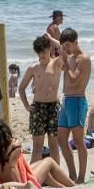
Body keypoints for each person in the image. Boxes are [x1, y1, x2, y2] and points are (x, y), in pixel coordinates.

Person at [0, 119, 75, 188]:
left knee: (42, 168)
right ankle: (71, 185)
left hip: (2, 182)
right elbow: (13, 167)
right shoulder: (13, 147)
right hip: (22, 182)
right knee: (49, 161)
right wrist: (22, 187)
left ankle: (60, 186)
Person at [18, 35, 63, 163]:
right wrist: (27, 106)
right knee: (37, 146)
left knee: (54, 145)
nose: (42, 55)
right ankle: (34, 175)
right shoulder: (33, 68)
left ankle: (56, 172)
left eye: (44, 51)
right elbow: (21, 88)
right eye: (39, 52)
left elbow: (64, 50)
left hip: (53, 107)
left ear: (49, 49)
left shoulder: (57, 63)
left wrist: (51, 39)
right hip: (38, 107)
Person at [56, 28, 92, 183]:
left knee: (78, 140)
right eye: (64, 46)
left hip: (77, 101)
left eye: (68, 46)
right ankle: (72, 174)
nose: (66, 49)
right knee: (61, 139)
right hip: (66, 100)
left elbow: (73, 79)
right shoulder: (70, 58)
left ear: (76, 42)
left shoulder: (83, 59)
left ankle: (81, 177)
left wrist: (65, 60)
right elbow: (63, 71)